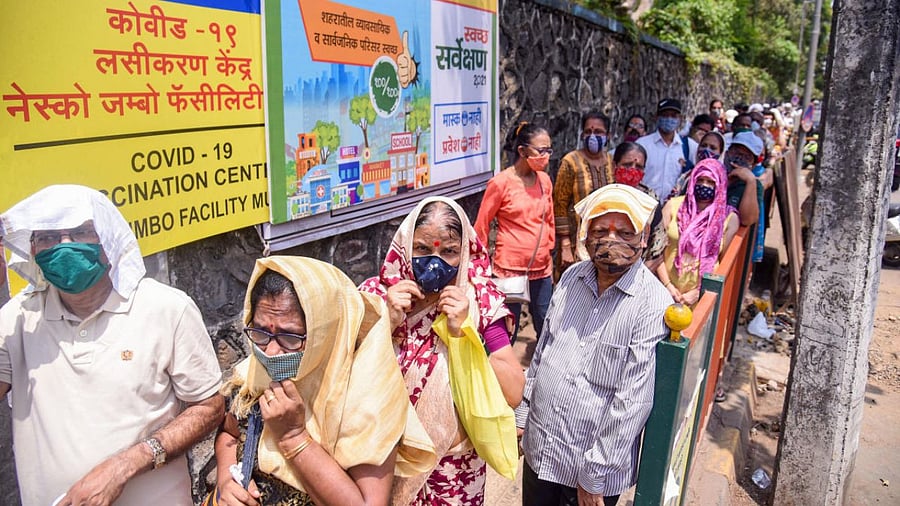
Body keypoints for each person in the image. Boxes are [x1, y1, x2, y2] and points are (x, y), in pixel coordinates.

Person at [0, 185, 224, 505]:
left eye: (81, 232)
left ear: (109, 238)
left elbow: (209, 407)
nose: (65, 246)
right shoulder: (16, 318)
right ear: (32, 250)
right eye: (48, 237)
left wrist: (125, 465)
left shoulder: (166, 308)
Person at [213, 256, 436, 506]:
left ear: (326, 332)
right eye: (261, 331)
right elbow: (230, 433)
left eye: (290, 336)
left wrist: (293, 437)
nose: (272, 351)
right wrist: (227, 480)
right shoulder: (254, 374)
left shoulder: (368, 396)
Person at [515, 184, 672, 506]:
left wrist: (594, 477)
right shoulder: (572, 278)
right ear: (586, 237)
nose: (612, 240)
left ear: (643, 239)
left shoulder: (653, 304)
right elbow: (543, 351)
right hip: (541, 450)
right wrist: (523, 418)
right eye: (601, 230)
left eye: (626, 232)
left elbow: (632, 402)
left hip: (588, 472)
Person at [361, 197, 525, 505]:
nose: (435, 261)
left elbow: (513, 392)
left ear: (464, 252)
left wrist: (464, 331)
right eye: (422, 249)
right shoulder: (375, 297)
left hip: (453, 471)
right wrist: (386, 320)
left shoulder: (480, 302)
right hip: (384, 463)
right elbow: (343, 372)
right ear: (405, 245)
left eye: (448, 251)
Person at [475, 122, 555, 341]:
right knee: (507, 328)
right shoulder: (501, 183)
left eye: (549, 150)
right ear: (522, 151)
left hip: (541, 269)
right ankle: (505, 373)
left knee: (546, 323)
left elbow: (549, 220)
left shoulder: (545, 181)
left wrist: (550, 249)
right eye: (541, 151)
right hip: (509, 270)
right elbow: (482, 224)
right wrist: (478, 267)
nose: (546, 156)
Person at [656, 159, 740, 306]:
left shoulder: (728, 219)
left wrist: (699, 292)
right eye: (700, 180)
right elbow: (655, 251)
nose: (704, 185)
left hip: (701, 300)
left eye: (711, 181)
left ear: (720, 185)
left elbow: (725, 265)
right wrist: (667, 285)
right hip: (663, 292)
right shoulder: (673, 206)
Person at [554, 111, 614, 279]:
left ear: (608, 135)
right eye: (588, 131)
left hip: (605, 241)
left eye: (599, 132)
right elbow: (559, 204)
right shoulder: (571, 161)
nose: (592, 136)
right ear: (582, 134)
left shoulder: (610, 161)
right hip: (575, 243)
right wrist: (565, 245)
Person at [610, 142, 668, 271]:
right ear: (615, 165)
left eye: (639, 167)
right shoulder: (602, 196)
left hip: (638, 273)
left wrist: (640, 275)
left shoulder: (650, 201)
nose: (633, 169)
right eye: (627, 165)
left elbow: (657, 246)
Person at [637, 98, 698, 203]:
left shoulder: (689, 146)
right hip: (645, 205)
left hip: (675, 210)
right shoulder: (642, 145)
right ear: (657, 117)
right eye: (665, 115)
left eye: (673, 116)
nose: (669, 119)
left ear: (680, 119)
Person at [669, 130, 726, 198]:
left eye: (713, 148)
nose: (706, 150)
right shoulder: (687, 176)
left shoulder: (722, 181)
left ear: (721, 153)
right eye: (703, 145)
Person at [724, 131, 765, 227]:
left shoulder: (753, 185)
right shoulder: (713, 174)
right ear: (727, 152)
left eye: (746, 157)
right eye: (736, 152)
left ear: (753, 164)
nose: (739, 159)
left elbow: (747, 220)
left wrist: (750, 181)